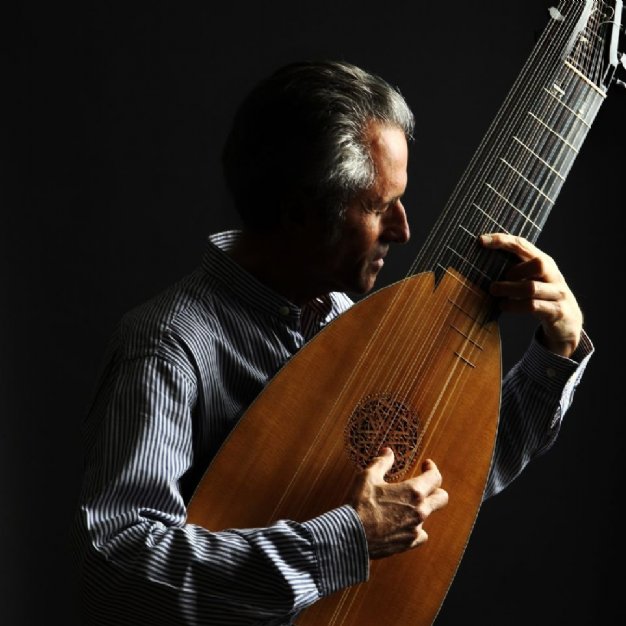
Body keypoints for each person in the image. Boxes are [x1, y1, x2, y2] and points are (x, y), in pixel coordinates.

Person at [71, 60, 594, 625]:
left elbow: (447, 477)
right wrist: (346, 540)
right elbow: (118, 570)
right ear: (300, 211)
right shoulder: (170, 346)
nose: (403, 230)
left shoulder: (343, 318)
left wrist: (556, 351)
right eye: (378, 206)